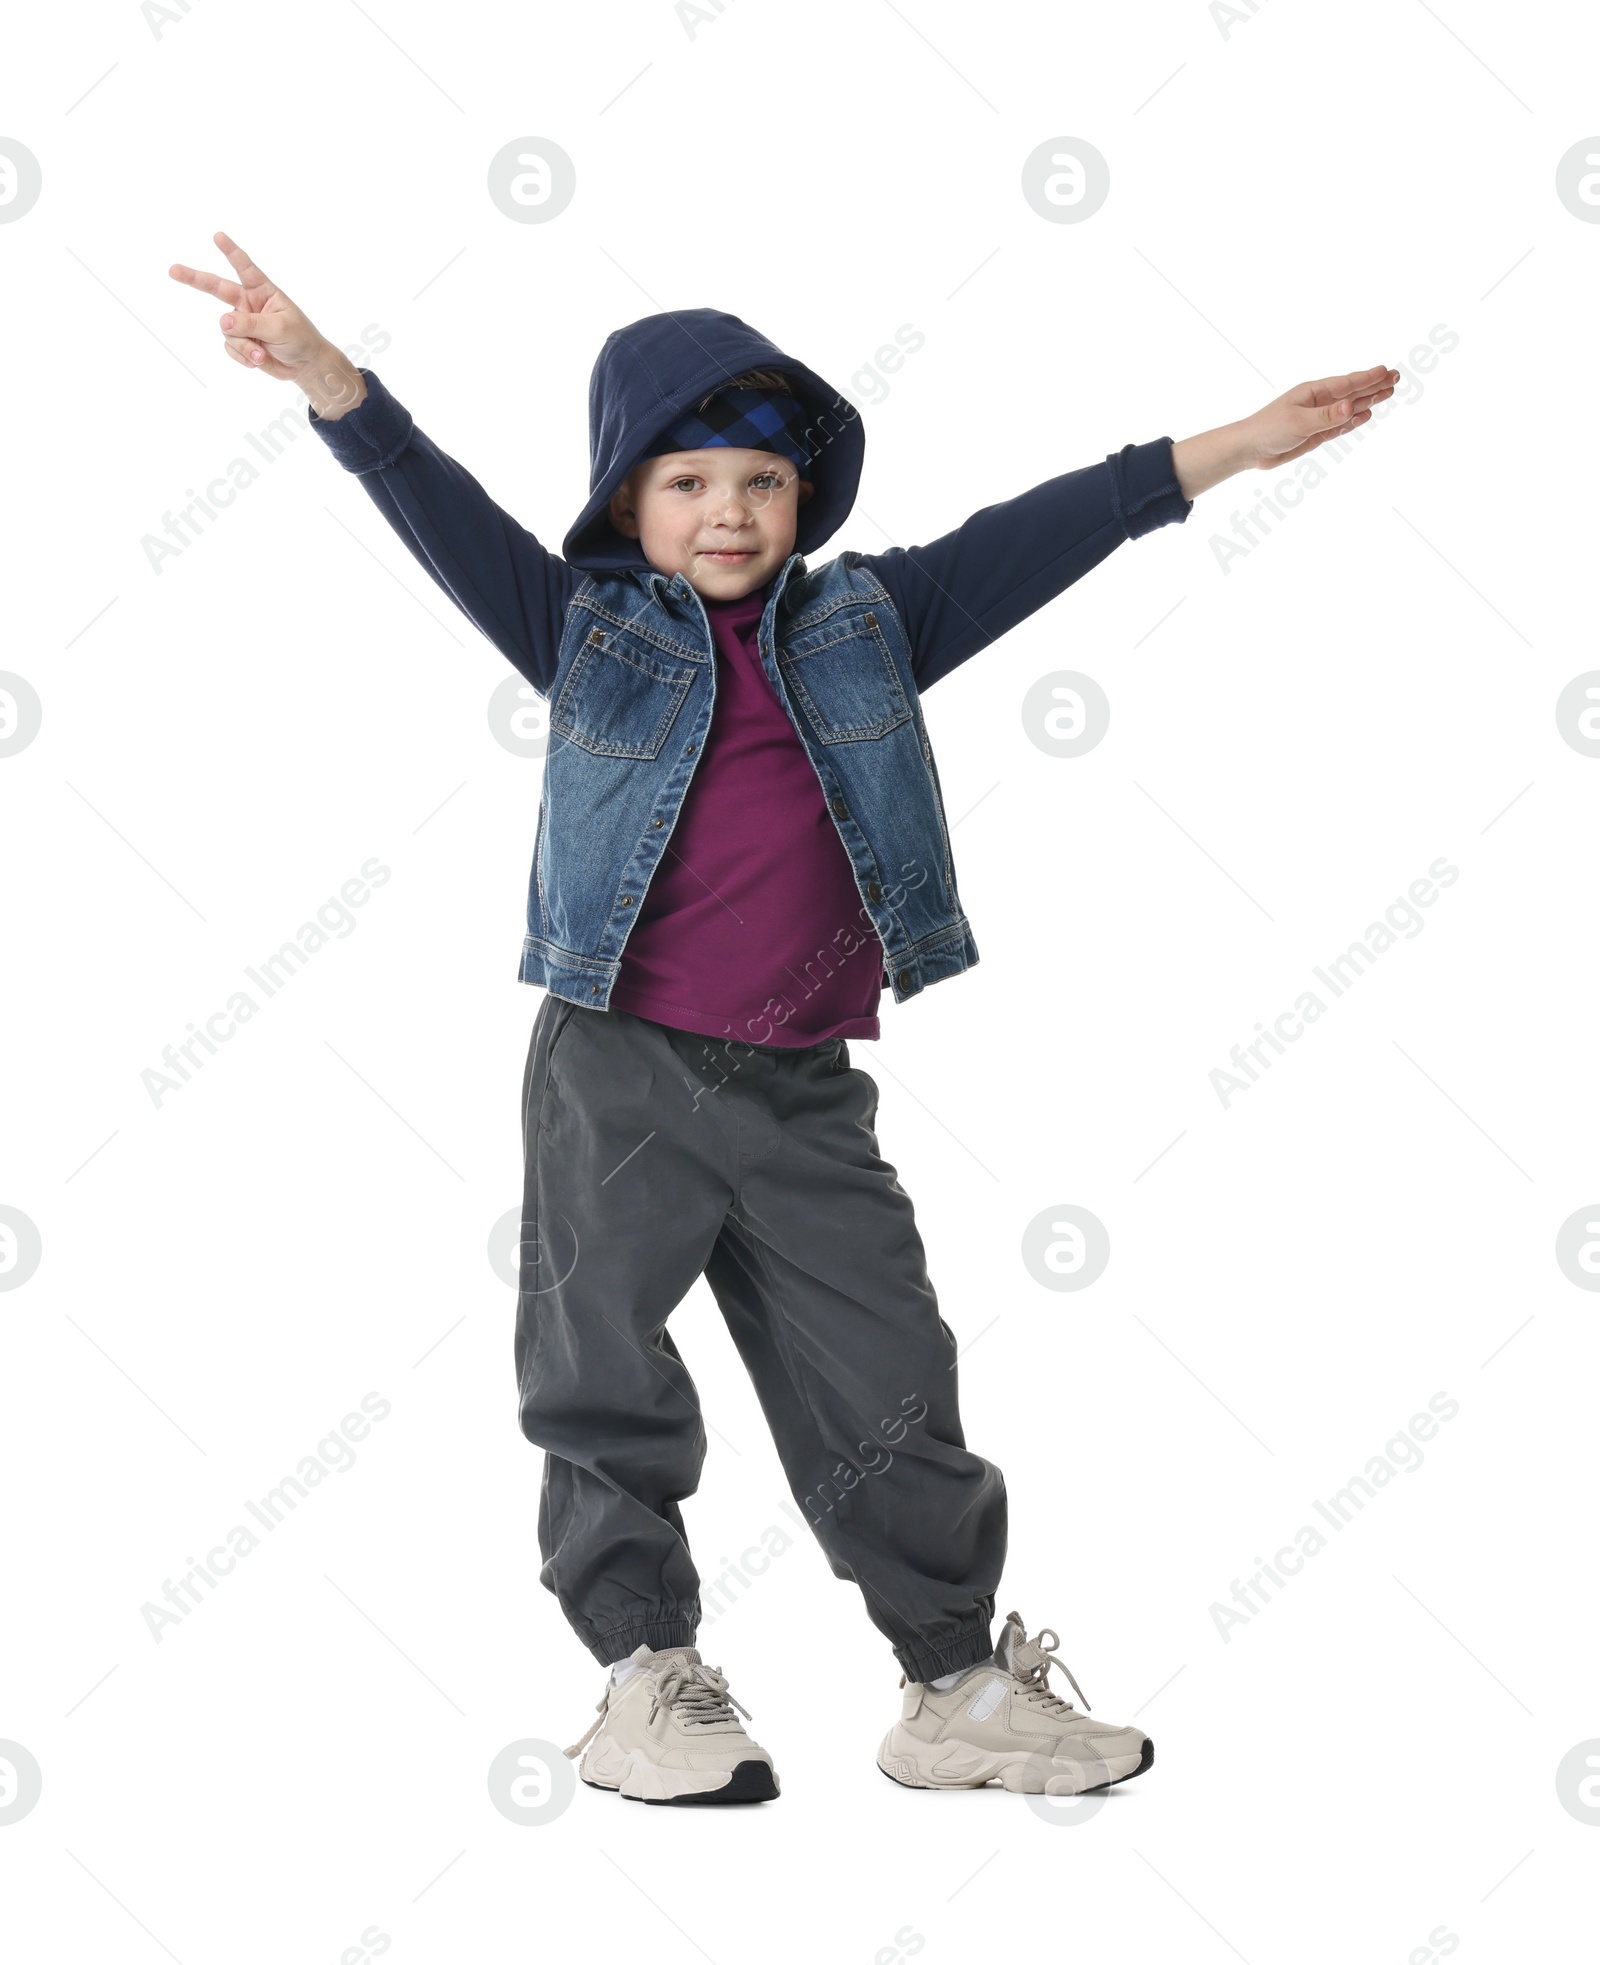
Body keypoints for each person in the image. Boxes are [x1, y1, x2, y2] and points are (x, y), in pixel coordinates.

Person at [170, 230, 1396, 1806]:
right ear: (630, 505)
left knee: (890, 1367)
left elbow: (1058, 524)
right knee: (603, 1366)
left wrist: (1238, 444)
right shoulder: (580, 631)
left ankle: (951, 1681)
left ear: (804, 499)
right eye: (687, 483)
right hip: (622, 1065)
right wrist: (330, 379)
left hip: (807, 1085)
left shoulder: (872, 621)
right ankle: (646, 1676)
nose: (728, 512)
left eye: (758, 481)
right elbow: (434, 504)